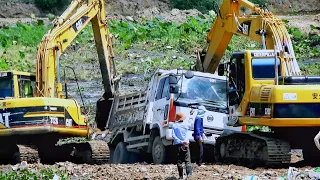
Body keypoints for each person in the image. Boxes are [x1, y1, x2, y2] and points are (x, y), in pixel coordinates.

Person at [172, 112, 192, 179]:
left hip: (177, 145)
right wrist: (190, 115)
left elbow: (173, 136)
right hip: (186, 145)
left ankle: (181, 177)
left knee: (179, 161)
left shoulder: (174, 126)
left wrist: (180, 141)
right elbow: (190, 121)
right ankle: (189, 175)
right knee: (187, 160)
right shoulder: (186, 125)